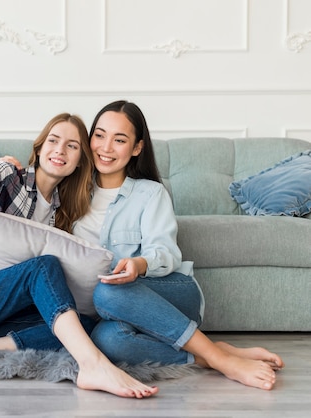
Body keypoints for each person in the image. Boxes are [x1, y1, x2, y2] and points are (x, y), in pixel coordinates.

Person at [0, 113, 158, 398]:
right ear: (39, 148)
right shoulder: (11, 178)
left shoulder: (63, 214)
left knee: (82, 324)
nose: (60, 150)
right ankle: (92, 365)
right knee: (42, 267)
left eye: (72, 146)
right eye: (54, 140)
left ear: (79, 162)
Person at [75, 100, 284, 391]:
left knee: (109, 290)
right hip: (114, 308)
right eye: (99, 135)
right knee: (107, 341)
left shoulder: (150, 193)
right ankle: (210, 354)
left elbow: (166, 253)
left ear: (137, 148)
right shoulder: (71, 193)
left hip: (171, 293)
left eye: (119, 139)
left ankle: (223, 361)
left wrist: (139, 264)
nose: (106, 147)